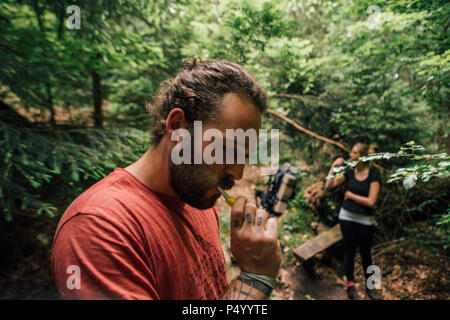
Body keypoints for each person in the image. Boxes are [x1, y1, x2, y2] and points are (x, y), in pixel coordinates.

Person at [51, 58, 282, 300]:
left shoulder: (196, 197)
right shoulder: (97, 228)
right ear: (177, 126)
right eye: (227, 150)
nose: (237, 173)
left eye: (243, 156)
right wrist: (256, 278)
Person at [325, 143, 382, 300]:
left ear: (362, 156)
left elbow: (371, 201)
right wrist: (333, 167)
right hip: (346, 217)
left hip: (365, 220)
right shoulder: (349, 172)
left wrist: (351, 196)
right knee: (349, 251)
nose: (351, 155)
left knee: (366, 254)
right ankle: (350, 286)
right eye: (352, 151)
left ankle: (372, 287)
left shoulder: (374, 175)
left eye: (355, 153)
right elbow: (329, 185)